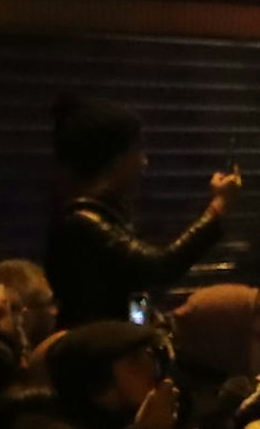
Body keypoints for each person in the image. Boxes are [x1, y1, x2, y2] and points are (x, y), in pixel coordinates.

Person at [43, 96, 243, 328]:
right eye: (137, 151)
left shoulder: (104, 216)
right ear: (115, 157)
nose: (144, 162)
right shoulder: (84, 223)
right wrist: (218, 207)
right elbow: (159, 267)